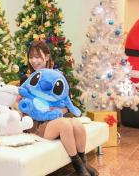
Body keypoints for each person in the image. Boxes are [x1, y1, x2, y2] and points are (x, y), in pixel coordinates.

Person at [19, 41, 99, 176]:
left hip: (55, 120)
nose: (34, 60)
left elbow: (67, 105)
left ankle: (83, 163)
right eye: (31, 57)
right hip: (38, 125)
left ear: (47, 56)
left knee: (76, 123)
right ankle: (78, 167)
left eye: (38, 57)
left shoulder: (57, 77)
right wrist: (41, 111)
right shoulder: (27, 79)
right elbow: (24, 106)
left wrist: (58, 111)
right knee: (64, 124)